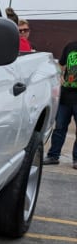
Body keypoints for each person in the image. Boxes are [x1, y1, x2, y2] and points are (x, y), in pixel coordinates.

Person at [43, 39, 77, 168]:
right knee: (59, 128)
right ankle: (53, 156)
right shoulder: (71, 46)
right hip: (66, 95)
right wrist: (60, 75)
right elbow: (61, 64)